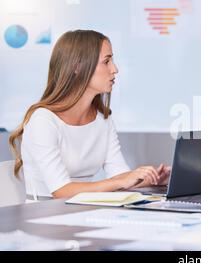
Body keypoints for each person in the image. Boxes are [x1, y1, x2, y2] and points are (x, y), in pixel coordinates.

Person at [9, 30, 171, 199]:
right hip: (43, 218)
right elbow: (61, 191)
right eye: (106, 61)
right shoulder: (42, 121)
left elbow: (121, 176)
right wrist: (122, 181)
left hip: (84, 212)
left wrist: (154, 179)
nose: (114, 69)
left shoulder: (103, 121)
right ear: (77, 67)